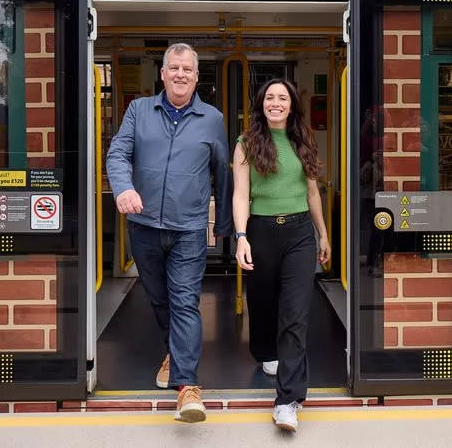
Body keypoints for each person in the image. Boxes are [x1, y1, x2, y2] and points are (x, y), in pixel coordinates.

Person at [106, 42, 232, 423]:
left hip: (190, 229)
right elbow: (118, 153)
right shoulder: (139, 110)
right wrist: (123, 187)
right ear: (162, 73)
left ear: (196, 77)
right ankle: (174, 351)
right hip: (143, 227)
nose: (180, 74)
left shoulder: (213, 118)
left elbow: (222, 171)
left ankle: (187, 388)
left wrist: (225, 225)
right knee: (159, 301)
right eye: (174, 68)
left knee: (184, 301)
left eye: (188, 70)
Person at [232, 78, 330, 433]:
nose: (276, 102)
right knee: (262, 300)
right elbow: (241, 195)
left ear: (292, 104)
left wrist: (323, 234)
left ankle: (288, 401)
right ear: (261, 104)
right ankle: (264, 351)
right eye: (270, 97)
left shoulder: (302, 140)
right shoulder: (246, 143)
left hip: (300, 233)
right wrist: (241, 236)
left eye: (282, 97)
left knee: (294, 314)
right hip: (260, 230)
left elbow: (313, 193)